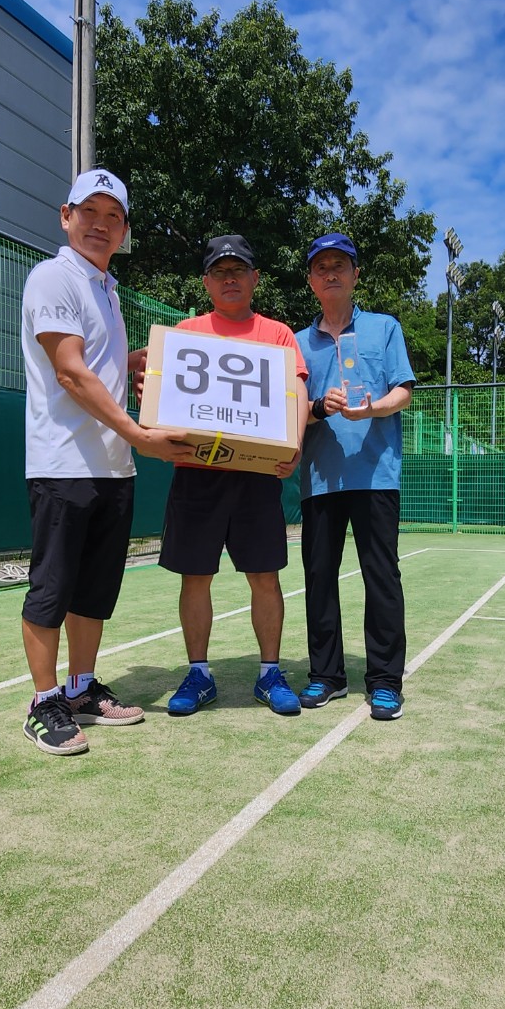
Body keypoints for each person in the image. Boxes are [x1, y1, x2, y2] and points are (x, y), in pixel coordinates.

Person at [21, 168, 191, 757]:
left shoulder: (107, 290)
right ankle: (44, 702)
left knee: (92, 592)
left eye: (112, 216)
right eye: (88, 212)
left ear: (123, 230)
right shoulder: (53, 277)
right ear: (65, 216)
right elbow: (70, 371)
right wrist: (140, 434)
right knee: (51, 589)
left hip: (113, 469)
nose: (99, 224)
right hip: (64, 465)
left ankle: (82, 689)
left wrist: (139, 357)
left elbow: (96, 362)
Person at [157, 235, 309, 717]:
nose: (229, 278)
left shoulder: (279, 335)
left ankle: (270, 673)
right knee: (195, 575)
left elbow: (297, 395)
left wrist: (295, 445)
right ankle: (198, 673)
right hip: (197, 474)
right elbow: (163, 397)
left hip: (257, 477)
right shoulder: (185, 332)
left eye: (238, 270)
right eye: (220, 271)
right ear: (206, 282)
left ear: (254, 279)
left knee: (265, 576)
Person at [295, 232, 415, 720]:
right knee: (319, 578)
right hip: (319, 480)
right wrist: (319, 408)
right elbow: (289, 410)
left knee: (381, 578)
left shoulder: (385, 329)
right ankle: (326, 676)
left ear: (355, 275)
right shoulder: (297, 342)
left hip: (376, 476)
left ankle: (385, 681)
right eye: (321, 266)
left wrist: (373, 411)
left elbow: (403, 391)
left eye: (339, 265)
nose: (330, 273)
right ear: (310, 280)